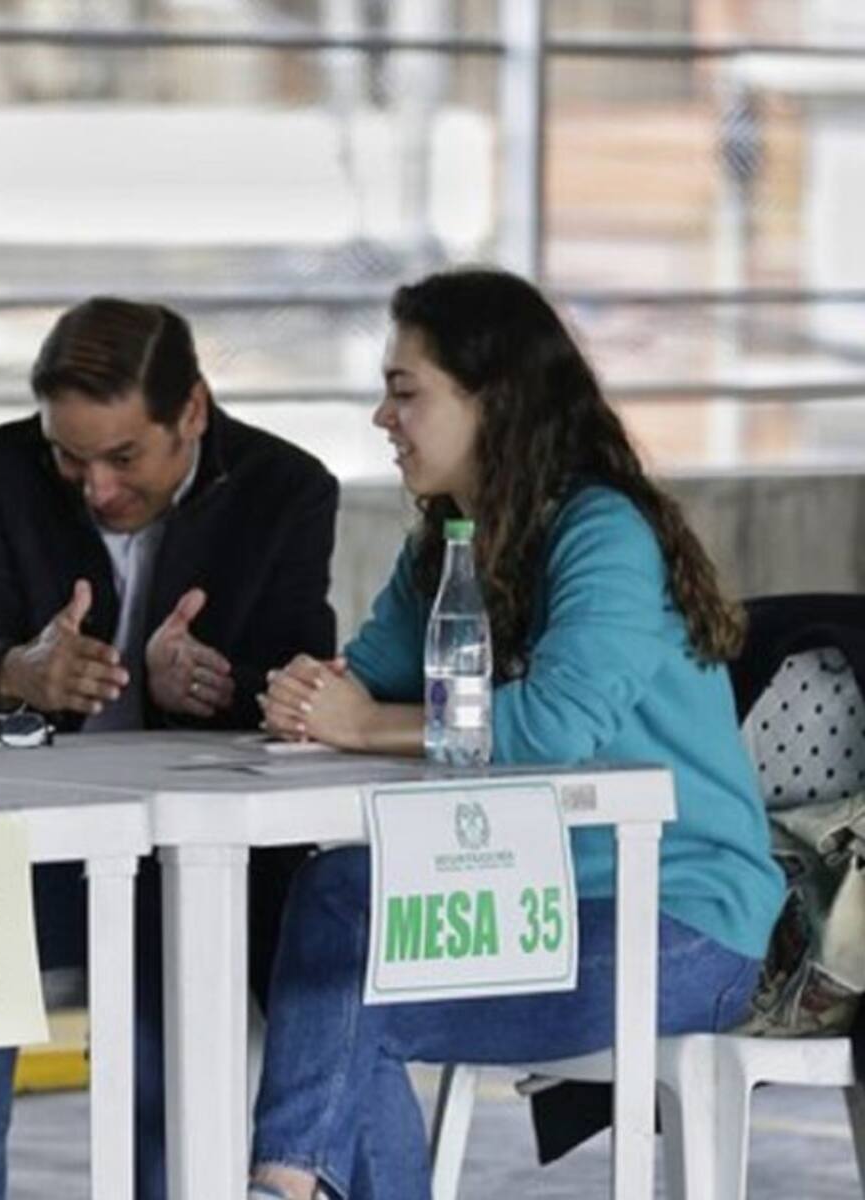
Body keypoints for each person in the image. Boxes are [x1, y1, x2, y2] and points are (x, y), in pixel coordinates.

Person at [249, 267, 785, 1200]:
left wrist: (365, 725)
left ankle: (283, 1184)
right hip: (529, 895)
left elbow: (557, 726)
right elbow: (364, 675)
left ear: (493, 401)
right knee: (335, 906)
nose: (383, 418)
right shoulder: (450, 543)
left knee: (342, 997)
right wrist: (305, 692)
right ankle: (287, 1183)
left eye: (405, 392)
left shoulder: (604, 532)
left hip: (682, 922)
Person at [0, 297, 338, 1200]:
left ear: (190, 412)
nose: (97, 490)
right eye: (69, 459)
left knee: (172, 941)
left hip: (188, 852)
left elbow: (303, 670)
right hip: (28, 841)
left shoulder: (286, 488)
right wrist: (11, 672)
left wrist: (215, 686)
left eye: (122, 458)